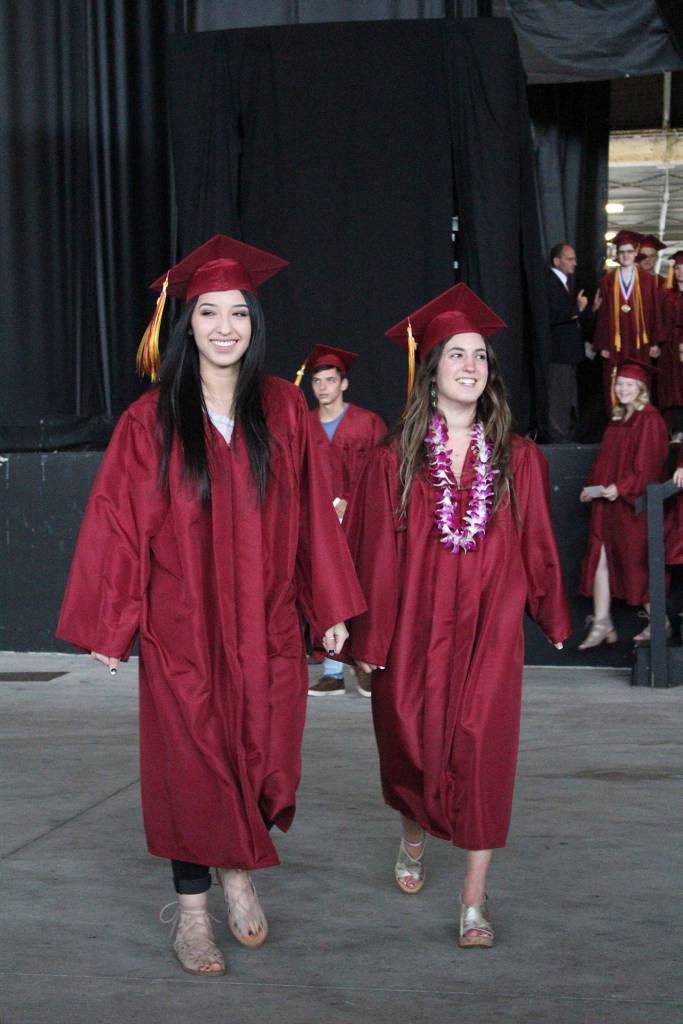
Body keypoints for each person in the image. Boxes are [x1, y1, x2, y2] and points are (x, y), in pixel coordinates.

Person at [56, 235, 366, 976]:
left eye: (238, 313)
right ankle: (195, 911)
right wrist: (112, 620)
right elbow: (119, 521)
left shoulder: (284, 411)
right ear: (184, 324)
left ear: (254, 324)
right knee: (189, 763)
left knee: (263, 752)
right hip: (182, 626)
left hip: (264, 624)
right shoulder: (150, 420)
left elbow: (314, 519)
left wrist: (328, 603)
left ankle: (239, 864)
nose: (224, 326)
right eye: (208, 313)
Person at [342, 283, 570, 949]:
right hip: (414, 628)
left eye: (479, 357)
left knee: (484, 754)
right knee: (408, 744)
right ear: (431, 370)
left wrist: (549, 611)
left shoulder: (518, 458)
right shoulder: (393, 458)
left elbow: (536, 544)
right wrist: (368, 636)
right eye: (456, 356)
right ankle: (412, 833)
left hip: (489, 632)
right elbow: (371, 551)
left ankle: (473, 901)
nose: (470, 366)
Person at [295, 344, 385, 697]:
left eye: (330, 380)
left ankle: (363, 664)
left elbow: (381, 471)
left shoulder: (367, 423)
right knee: (323, 586)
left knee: (361, 587)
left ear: (343, 384)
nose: (322, 388)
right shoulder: (303, 424)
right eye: (317, 381)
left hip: (359, 520)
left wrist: (352, 503)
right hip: (318, 523)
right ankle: (332, 670)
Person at [578, 358, 668, 647]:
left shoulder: (650, 419)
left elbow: (649, 466)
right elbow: (603, 463)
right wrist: (591, 488)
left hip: (634, 508)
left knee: (635, 566)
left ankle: (660, 621)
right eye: (620, 384)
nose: (624, 389)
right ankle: (602, 621)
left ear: (641, 388)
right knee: (601, 559)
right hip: (608, 505)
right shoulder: (618, 420)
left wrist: (621, 487)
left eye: (630, 384)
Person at [593, 230, 663, 410]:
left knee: (639, 378)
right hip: (615, 342)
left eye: (629, 251)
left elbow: (655, 311)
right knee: (614, 378)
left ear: (636, 253)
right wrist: (602, 345)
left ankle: (640, 419)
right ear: (617, 254)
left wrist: (656, 343)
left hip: (640, 342)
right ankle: (617, 419)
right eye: (622, 252)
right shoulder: (607, 281)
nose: (626, 256)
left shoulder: (648, 280)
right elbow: (602, 316)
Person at [546, 242, 592, 442]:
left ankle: (564, 433)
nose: (575, 263)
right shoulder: (550, 283)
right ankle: (559, 436)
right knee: (559, 396)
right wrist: (577, 309)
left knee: (566, 396)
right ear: (557, 261)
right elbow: (553, 314)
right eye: (570, 258)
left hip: (568, 354)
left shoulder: (564, 283)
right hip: (559, 354)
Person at [657, 252, 683, 441]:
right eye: (678, 269)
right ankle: (675, 430)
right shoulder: (666, 295)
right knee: (672, 386)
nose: (681, 273)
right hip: (670, 346)